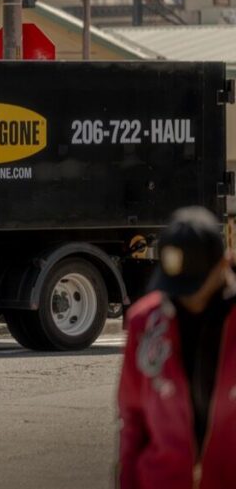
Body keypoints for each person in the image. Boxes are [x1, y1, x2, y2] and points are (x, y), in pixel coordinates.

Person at [117, 206, 236, 489]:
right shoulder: (144, 322)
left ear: (223, 264)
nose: (182, 298)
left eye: (192, 286)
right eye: (175, 285)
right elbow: (132, 418)